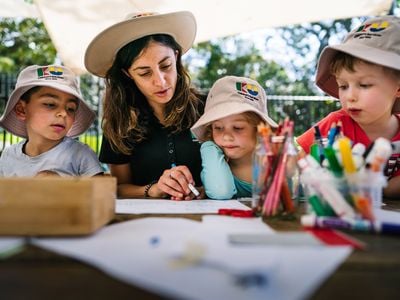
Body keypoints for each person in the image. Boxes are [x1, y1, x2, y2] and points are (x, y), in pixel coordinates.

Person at [84, 11, 205, 200]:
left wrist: (208, 190)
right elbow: (119, 187)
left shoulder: (208, 108)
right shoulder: (119, 122)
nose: (161, 81)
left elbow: (237, 172)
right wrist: (153, 189)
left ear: (176, 57)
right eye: (144, 73)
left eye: (166, 66)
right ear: (128, 74)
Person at [296, 15, 400, 198]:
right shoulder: (335, 124)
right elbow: (296, 159)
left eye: (365, 85)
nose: (349, 96)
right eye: (343, 86)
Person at [0, 64, 103, 177]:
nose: (63, 113)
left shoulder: (81, 154)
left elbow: (102, 192)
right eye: (50, 104)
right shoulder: (8, 156)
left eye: (70, 109)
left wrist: (63, 187)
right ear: (22, 110)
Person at [191, 76, 278, 199]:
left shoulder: (272, 162)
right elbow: (220, 191)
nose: (226, 137)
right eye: (218, 127)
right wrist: (208, 146)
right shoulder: (216, 165)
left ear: (260, 130)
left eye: (237, 128)